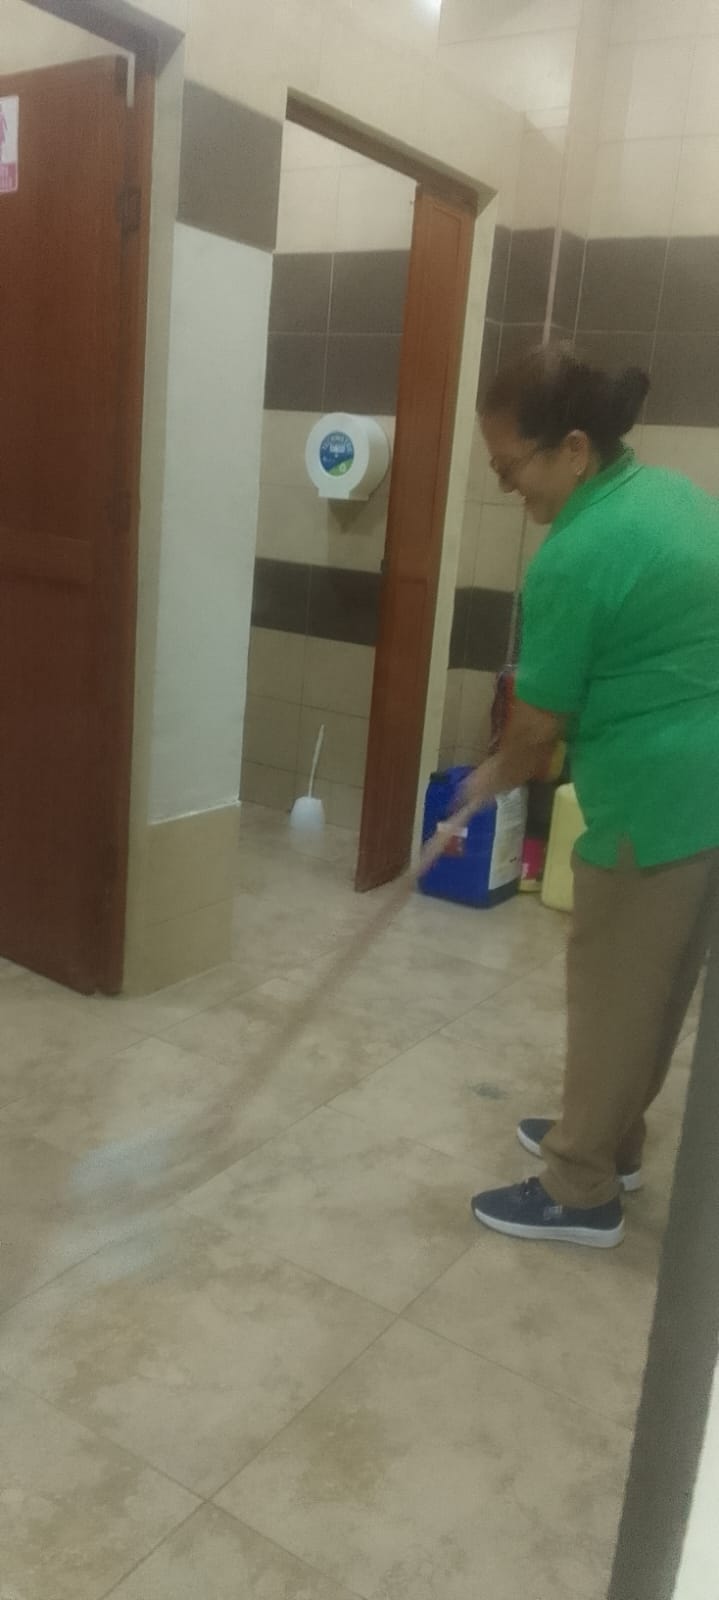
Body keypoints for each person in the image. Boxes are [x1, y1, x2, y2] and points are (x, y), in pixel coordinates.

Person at [460, 345, 719, 1248]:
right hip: (702, 793)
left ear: (573, 448)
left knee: (614, 995)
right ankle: (615, 1141)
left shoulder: (576, 553)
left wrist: (477, 787)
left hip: (655, 798)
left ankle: (579, 1189)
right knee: (655, 987)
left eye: (510, 467)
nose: (507, 488)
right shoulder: (670, 494)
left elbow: (535, 731)